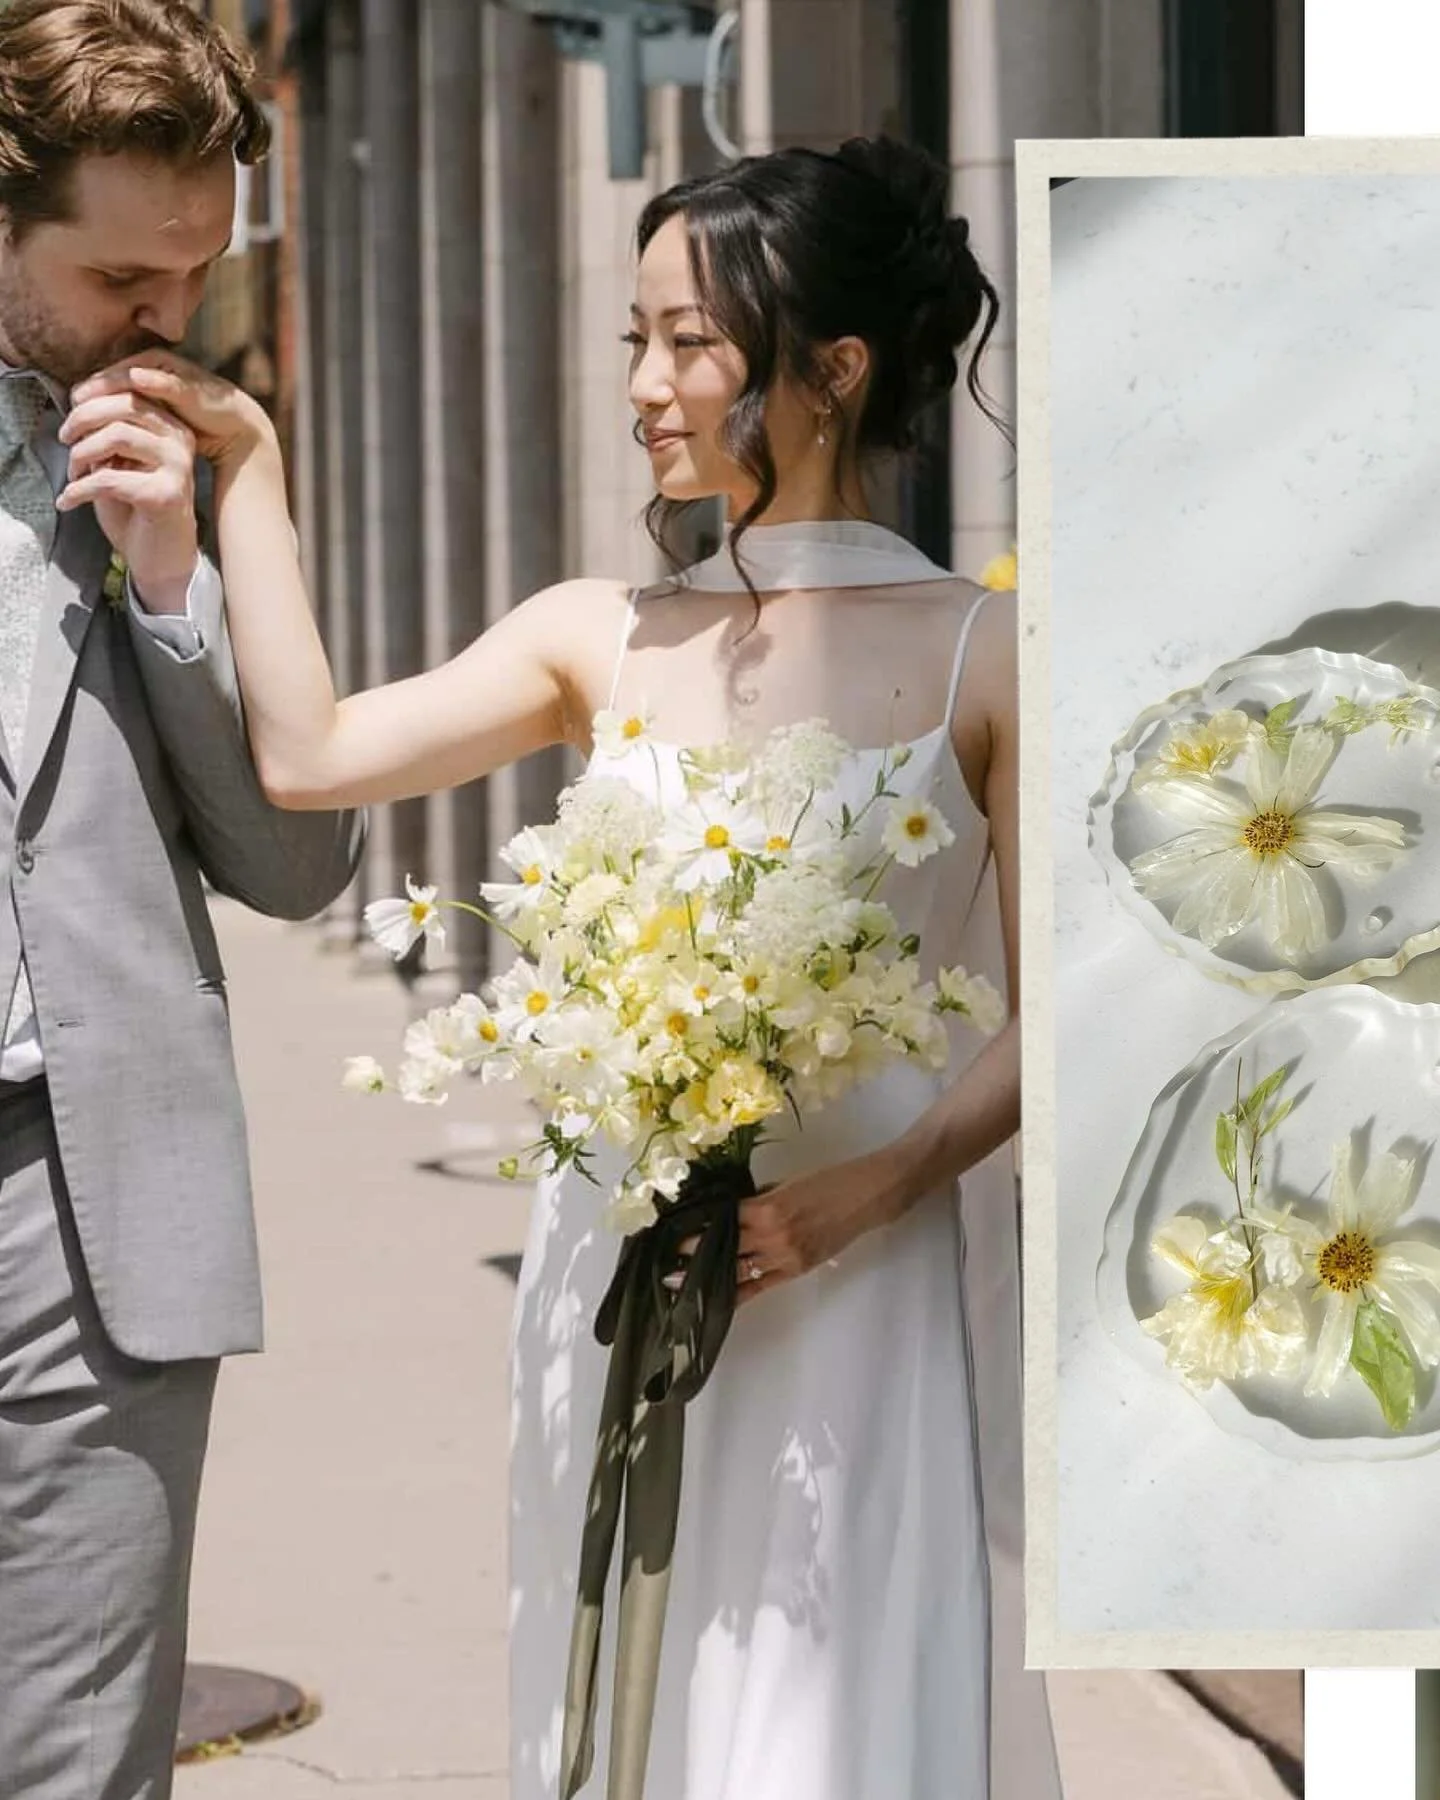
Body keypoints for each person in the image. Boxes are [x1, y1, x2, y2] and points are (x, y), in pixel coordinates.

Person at [67, 135, 1057, 1799]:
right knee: (620, 1667)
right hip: (616, 1250)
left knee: (837, 1684)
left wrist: (871, 1190)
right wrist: (251, 478)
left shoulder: (991, 647)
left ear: (834, 368)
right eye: (633, 340)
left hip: (861, 1265)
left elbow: (1067, 1014)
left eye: (690, 344)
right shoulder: (593, 631)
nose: (646, 385)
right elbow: (308, 756)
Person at [0, 3, 365, 1794]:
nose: (168, 320)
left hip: (86, 1210)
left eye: (198, 271)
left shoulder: (167, 473)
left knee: (75, 1757)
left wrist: (174, 580)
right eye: (121, 274)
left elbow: (303, 866)